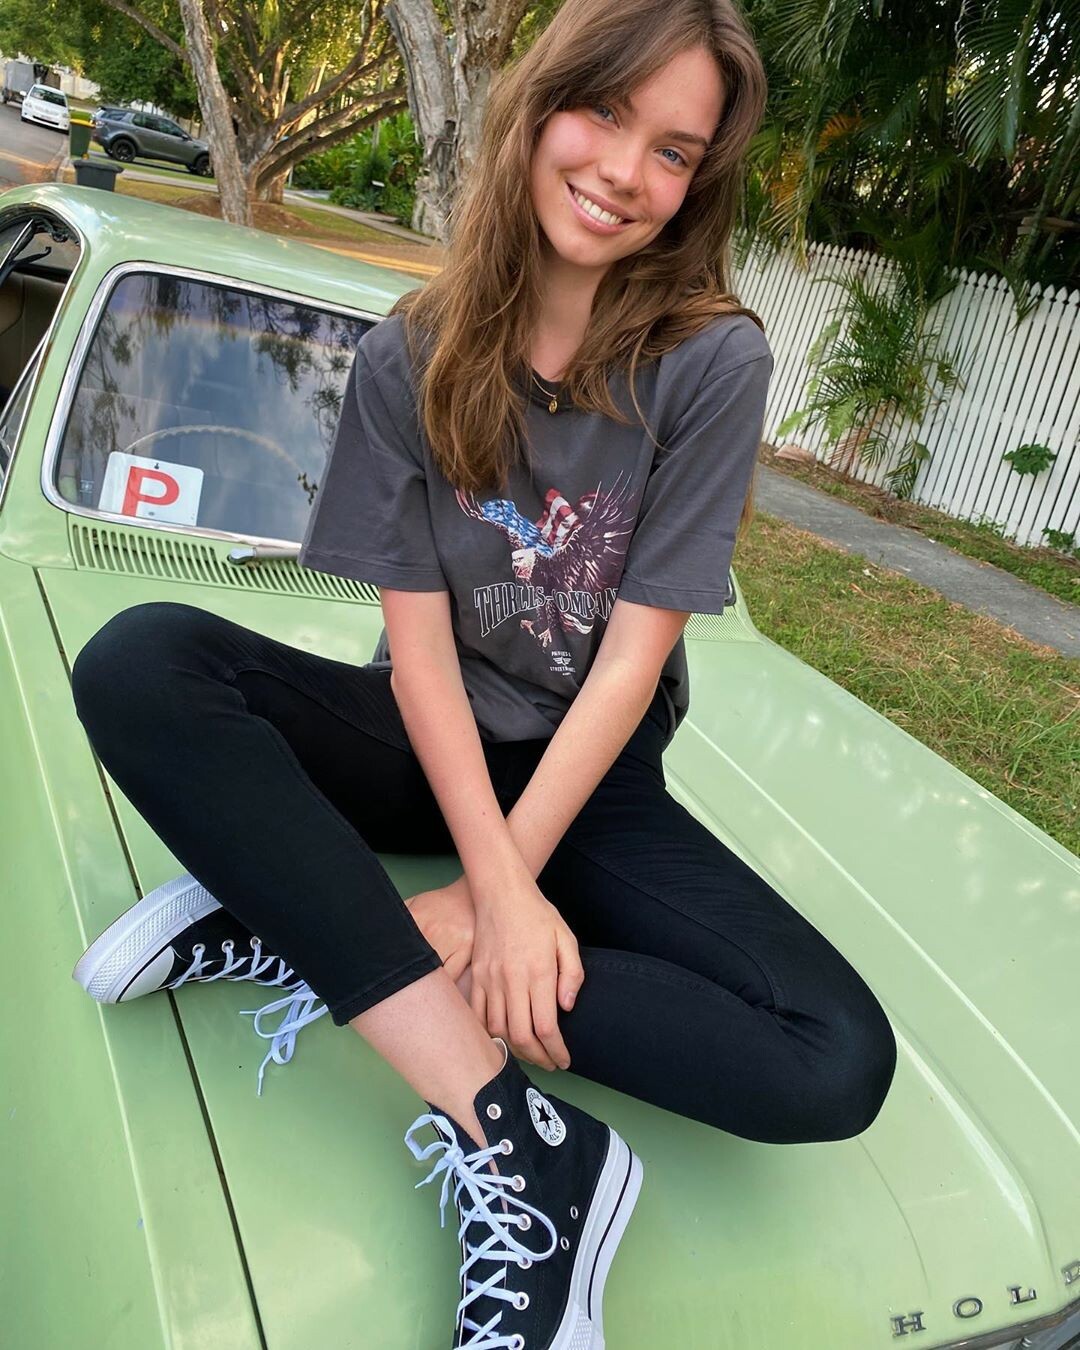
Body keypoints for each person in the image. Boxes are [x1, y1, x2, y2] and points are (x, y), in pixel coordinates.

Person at [68, 0, 898, 1345]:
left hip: (591, 777)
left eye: (674, 151)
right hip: (425, 738)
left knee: (834, 1059)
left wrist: (501, 894)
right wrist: (489, 896)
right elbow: (416, 651)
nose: (625, 171)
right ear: (539, 104)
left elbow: (630, 663)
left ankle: (314, 921)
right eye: (606, 112)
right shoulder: (412, 351)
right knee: (142, 661)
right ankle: (525, 1144)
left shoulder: (710, 360)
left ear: (698, 185)